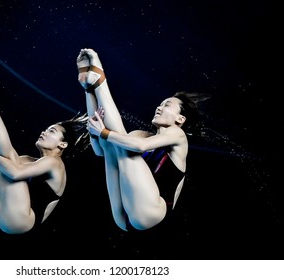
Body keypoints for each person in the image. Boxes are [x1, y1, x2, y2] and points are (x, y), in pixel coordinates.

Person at [76, 48, 206, 235]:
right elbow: (100, 151)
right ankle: (89, 88)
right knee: (113, 145)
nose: (159, 108)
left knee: (117, 139)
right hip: (124, 217)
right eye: (160, 104)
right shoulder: (139, 134)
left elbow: (140, 147)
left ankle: (99, 82)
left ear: (180, 119)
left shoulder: (178, 135)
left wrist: (103, 132)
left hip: (152, 213)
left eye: (167, 105)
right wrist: (97, 133)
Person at [0, 76, 89, 235]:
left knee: (6, 157)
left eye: (52, 131)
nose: (44, 132)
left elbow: (15, 173)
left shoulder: (55, 163)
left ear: (62, 144)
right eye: (46, 129)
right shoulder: (26, 160)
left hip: (22, 223)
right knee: (1, 157)